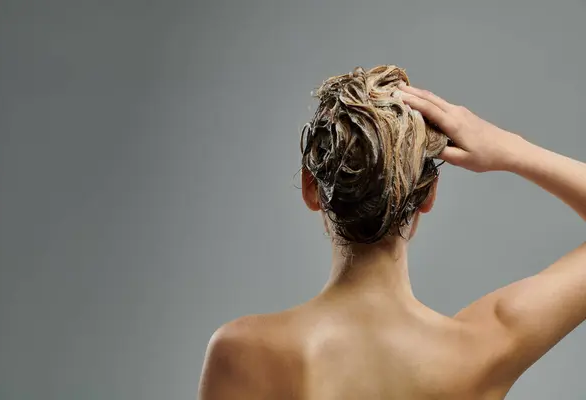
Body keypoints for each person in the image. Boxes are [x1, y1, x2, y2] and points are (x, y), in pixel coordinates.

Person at [197, 65, 586, 399]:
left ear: (311, 188)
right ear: (429, 194)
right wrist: (510, 148)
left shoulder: (242, 351)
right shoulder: (482, 346)